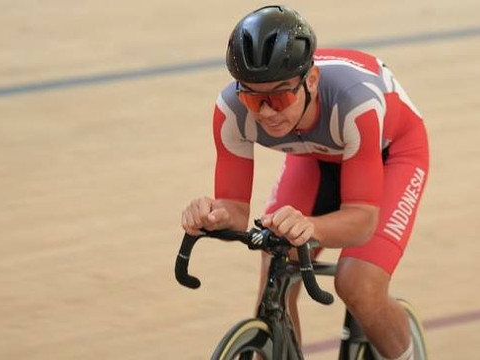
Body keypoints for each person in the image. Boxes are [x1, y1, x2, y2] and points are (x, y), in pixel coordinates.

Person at [181, 5, 429, 360]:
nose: (266, 112)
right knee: (276, 265)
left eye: (279, 97)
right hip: (315, 155)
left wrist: (310, 226)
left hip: (394, 153)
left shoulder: (355, 104)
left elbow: (362, 222)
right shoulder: (231, 111)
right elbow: (234, 212)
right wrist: (210, 215)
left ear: (310, 80)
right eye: (253, 97)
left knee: (357, 283)